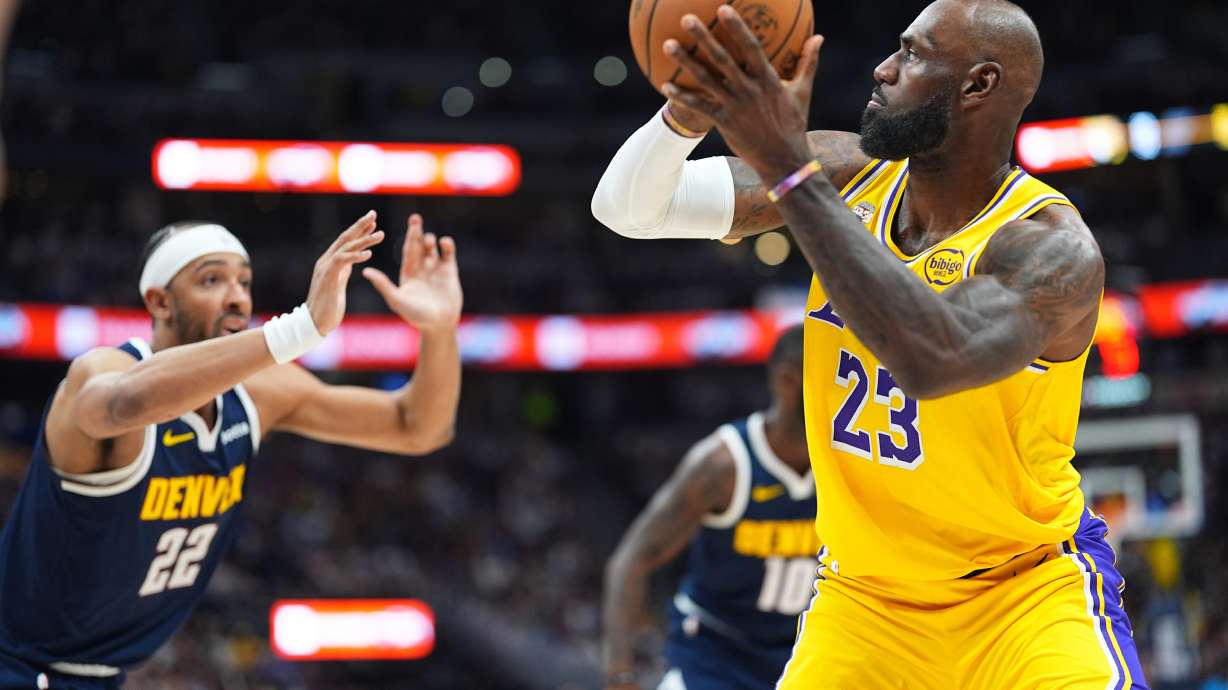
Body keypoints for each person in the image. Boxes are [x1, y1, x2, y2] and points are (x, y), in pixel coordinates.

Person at [591, 1, 1147, 687]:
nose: (882, 70)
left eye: (913, 55)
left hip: (1021, 597)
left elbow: (932, 358)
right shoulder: (848, 175)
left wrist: (790, 172)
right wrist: (687, 115)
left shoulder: (1050, 250)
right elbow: (627, 208)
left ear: (977, 86)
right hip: (866, 604)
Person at [0, 212, 463, 689]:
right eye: (212, 279)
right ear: (160, 301)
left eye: (244, 281)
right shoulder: (103, 372)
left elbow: (418, 427)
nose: (237, 296)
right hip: (18, 666)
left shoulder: (258, 393)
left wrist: (441, 329)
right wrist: (299, 328)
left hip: (103, 676)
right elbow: (124, 402)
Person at [603, 325, 814, 690]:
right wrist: (620, 676)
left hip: (803, 655)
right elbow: (629, 561)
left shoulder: (845, 464)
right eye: (833, 380)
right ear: (786, 380)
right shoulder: (724, 465)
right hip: (717, 654)